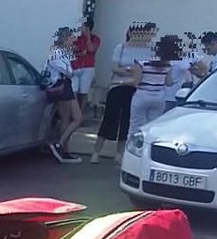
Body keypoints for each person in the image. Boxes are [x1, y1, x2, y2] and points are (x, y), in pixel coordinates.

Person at [91, 21, 155, 164]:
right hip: (117, 86)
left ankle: (119, 153)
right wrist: (132, 70)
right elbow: (115, 67)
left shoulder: (150, 50)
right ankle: (96, 151)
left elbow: (147, 70)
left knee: (127, 120)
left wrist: (130, 70)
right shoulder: (121, 47)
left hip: (136, 88)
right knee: (109, 118)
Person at [45, 27, 83, 164]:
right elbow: (68, 71)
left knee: (73, 118)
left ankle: (63, 148)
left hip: (66, 85)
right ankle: (60, 146)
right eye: (71, 38)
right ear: (65, 39)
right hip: (61, 86)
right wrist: (73, 69)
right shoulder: (55, 53)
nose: (73, 41)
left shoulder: (63, 52)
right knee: (68, 118)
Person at [130, 34, 183, 132]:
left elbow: (135, 82)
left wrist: (121, 82)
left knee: (135, 126)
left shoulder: (142, 61)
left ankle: (132, 146)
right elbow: (169, 82)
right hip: (159, 96)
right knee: (152, 126)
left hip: (142, 94)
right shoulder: (169, 64)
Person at [71, 18, 101, 111]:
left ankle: (81, 113)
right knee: (73, 91)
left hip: (88, 67)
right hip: (75, 67)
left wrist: (88, 37)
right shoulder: (75, 38)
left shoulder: (95, 39)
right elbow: (71, 50)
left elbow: (91, 49)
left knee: (84, 93)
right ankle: (74, 113)